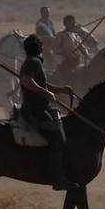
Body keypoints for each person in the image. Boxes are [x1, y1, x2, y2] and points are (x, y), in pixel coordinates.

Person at [18, 34, 79, 191]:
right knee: (57, 137)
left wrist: (60, 90)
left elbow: (41, 84)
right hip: (35, 111)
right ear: (39, 47)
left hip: (40, 109)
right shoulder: (33, 62)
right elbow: (27, 81)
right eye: (42, 46)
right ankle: (58, 179)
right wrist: (46, 94)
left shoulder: (33, 62)